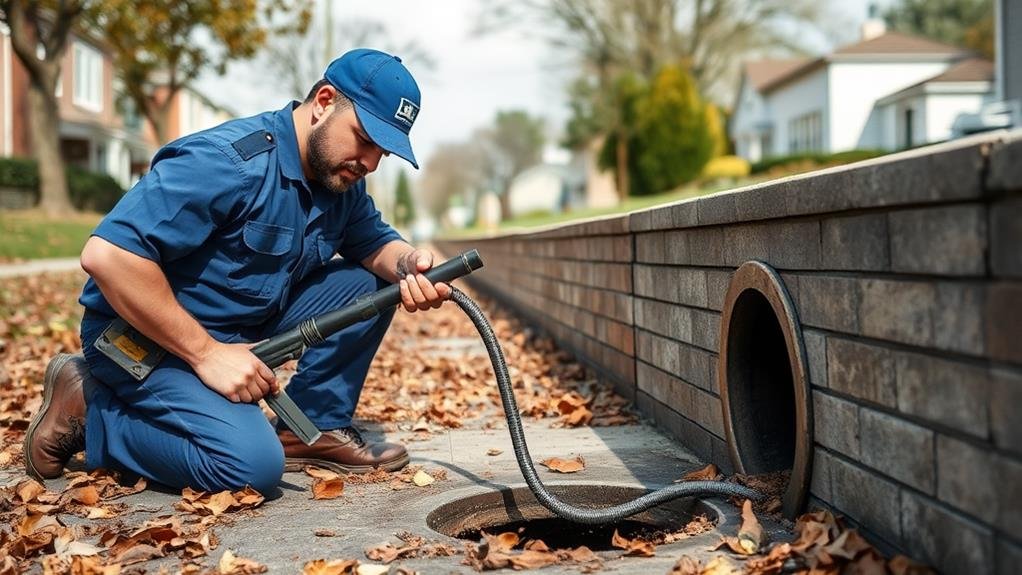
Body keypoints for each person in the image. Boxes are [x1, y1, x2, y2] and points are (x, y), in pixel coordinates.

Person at [23, 49, 449, 495]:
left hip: (239, 330)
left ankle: (310, 426)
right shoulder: (226, 162)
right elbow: (107, 256)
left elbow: (377, 244)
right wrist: (208, 355)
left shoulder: (338, 181)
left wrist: (411, 266)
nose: (370, 162)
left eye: (382, 152)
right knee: (250, 469)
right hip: (141, 338)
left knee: (374, 286)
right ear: (323, 102)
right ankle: (92, 408)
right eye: (364, 139)